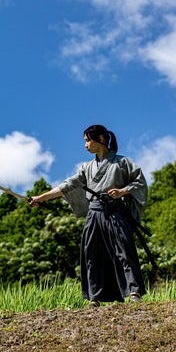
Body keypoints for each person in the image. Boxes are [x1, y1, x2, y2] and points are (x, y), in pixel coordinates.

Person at [28, 124, 148, 306]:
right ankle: (95, 296)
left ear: (100, 139)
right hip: (94, 213)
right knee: (92, 254)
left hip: (115, 211)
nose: (85, 145)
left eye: (87, 140)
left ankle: (134, 292)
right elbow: (67, 185)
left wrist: (122, 191)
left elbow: (139, 183)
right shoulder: (86, 167)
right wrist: (42, 198)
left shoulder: (122, 162)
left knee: (124, 251)